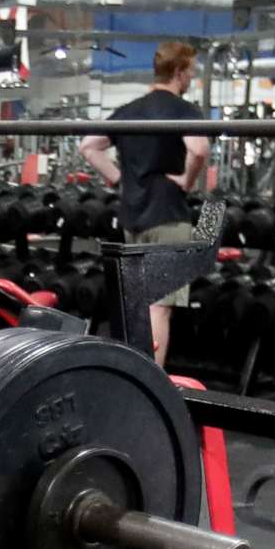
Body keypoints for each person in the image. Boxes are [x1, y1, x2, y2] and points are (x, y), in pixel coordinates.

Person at [80, 41, 211, 363]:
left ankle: (136, 381)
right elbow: (200, 149)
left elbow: (88, 147)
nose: (191, 77)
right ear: (179, 73)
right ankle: (152, 383)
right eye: (191, 71)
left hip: (133, 216)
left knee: (138, 307)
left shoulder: (130, 111)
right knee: (158, 308)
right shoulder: (183, 110)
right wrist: (187, 181)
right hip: (167, 216)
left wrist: (117, 178)